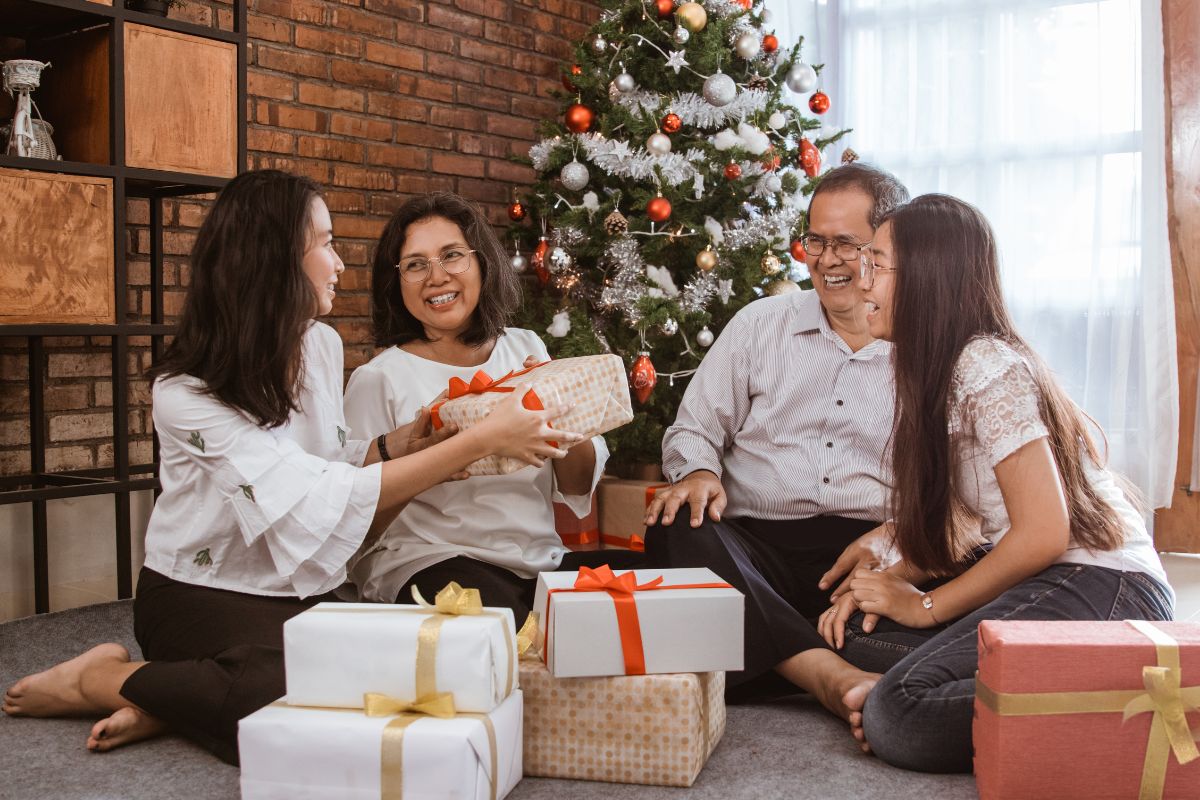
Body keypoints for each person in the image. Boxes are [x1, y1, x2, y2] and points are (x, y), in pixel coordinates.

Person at [1, 171, 582, 764]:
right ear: (277, 258)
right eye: (325, 244)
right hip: (199, 593)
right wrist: (474, 443)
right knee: (279, 694)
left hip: (302, 588)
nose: (339, 264)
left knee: (384, 683)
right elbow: (307, 501)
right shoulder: (184, 394)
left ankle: (167, 699)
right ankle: (100, 680)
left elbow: (330, 467)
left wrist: (398, 445)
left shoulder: (320, 348)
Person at [820, 193, 1173, 771]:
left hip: (1104, 584)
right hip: (1057, 578)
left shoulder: (986, 365)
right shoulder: (936, 371)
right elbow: (967, 518)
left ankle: (1126, 699)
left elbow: (1044, 534)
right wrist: (888, 580)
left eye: (876, 265)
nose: (862, 285)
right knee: (859, 635)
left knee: (899, 714)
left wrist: (927, 607)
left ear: (929, 278)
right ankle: (1093, 678)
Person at [642, 163, 910, 715]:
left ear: (886, 246)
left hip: (866, 559)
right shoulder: (759, 324)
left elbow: (962, 493)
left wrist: (899, 541)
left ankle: (763, 655)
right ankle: (828, 675)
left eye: (845, 243)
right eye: (815, 239)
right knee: (677, 525)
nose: (826, 259)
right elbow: (693, 429)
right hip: (752, 551)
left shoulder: (925, 347)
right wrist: (697, 473)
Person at [344, 192, 640, 622]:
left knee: (634, 603)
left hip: (540, 563)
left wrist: (562, 412)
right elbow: (353, 516)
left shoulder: (524, 348)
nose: (437, 276)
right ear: (396, 283)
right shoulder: (379, 379)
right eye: (415, 264)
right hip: (430, 562)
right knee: (507, 626)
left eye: (452, 256)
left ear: (482, 263)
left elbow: (575, 485)